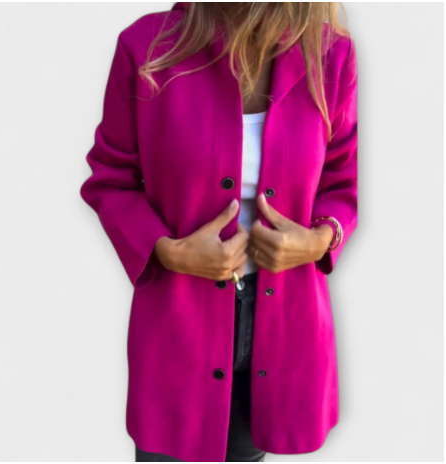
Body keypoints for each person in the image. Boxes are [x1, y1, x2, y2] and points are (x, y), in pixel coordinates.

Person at [80, 2, 358, 462]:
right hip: (178, 328)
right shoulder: (146, 48)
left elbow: (342, 179)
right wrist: (166, 251)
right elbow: (110, 179)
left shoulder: (331, 56)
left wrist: (319, 240)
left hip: (283, 331)